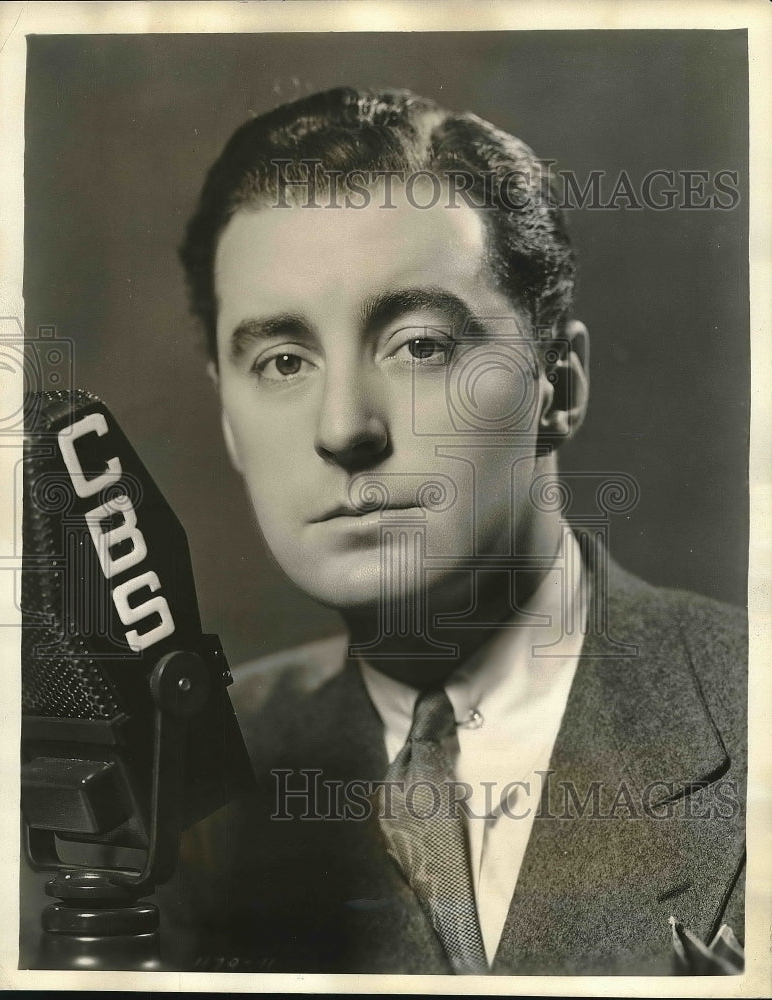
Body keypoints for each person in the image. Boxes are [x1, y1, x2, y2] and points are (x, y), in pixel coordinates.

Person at [166, 86, 746, 976]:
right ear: (229, 423)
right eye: (282, 361)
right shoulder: (183, 781)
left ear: (558, 385)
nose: (343, 428)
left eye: (419, 345)